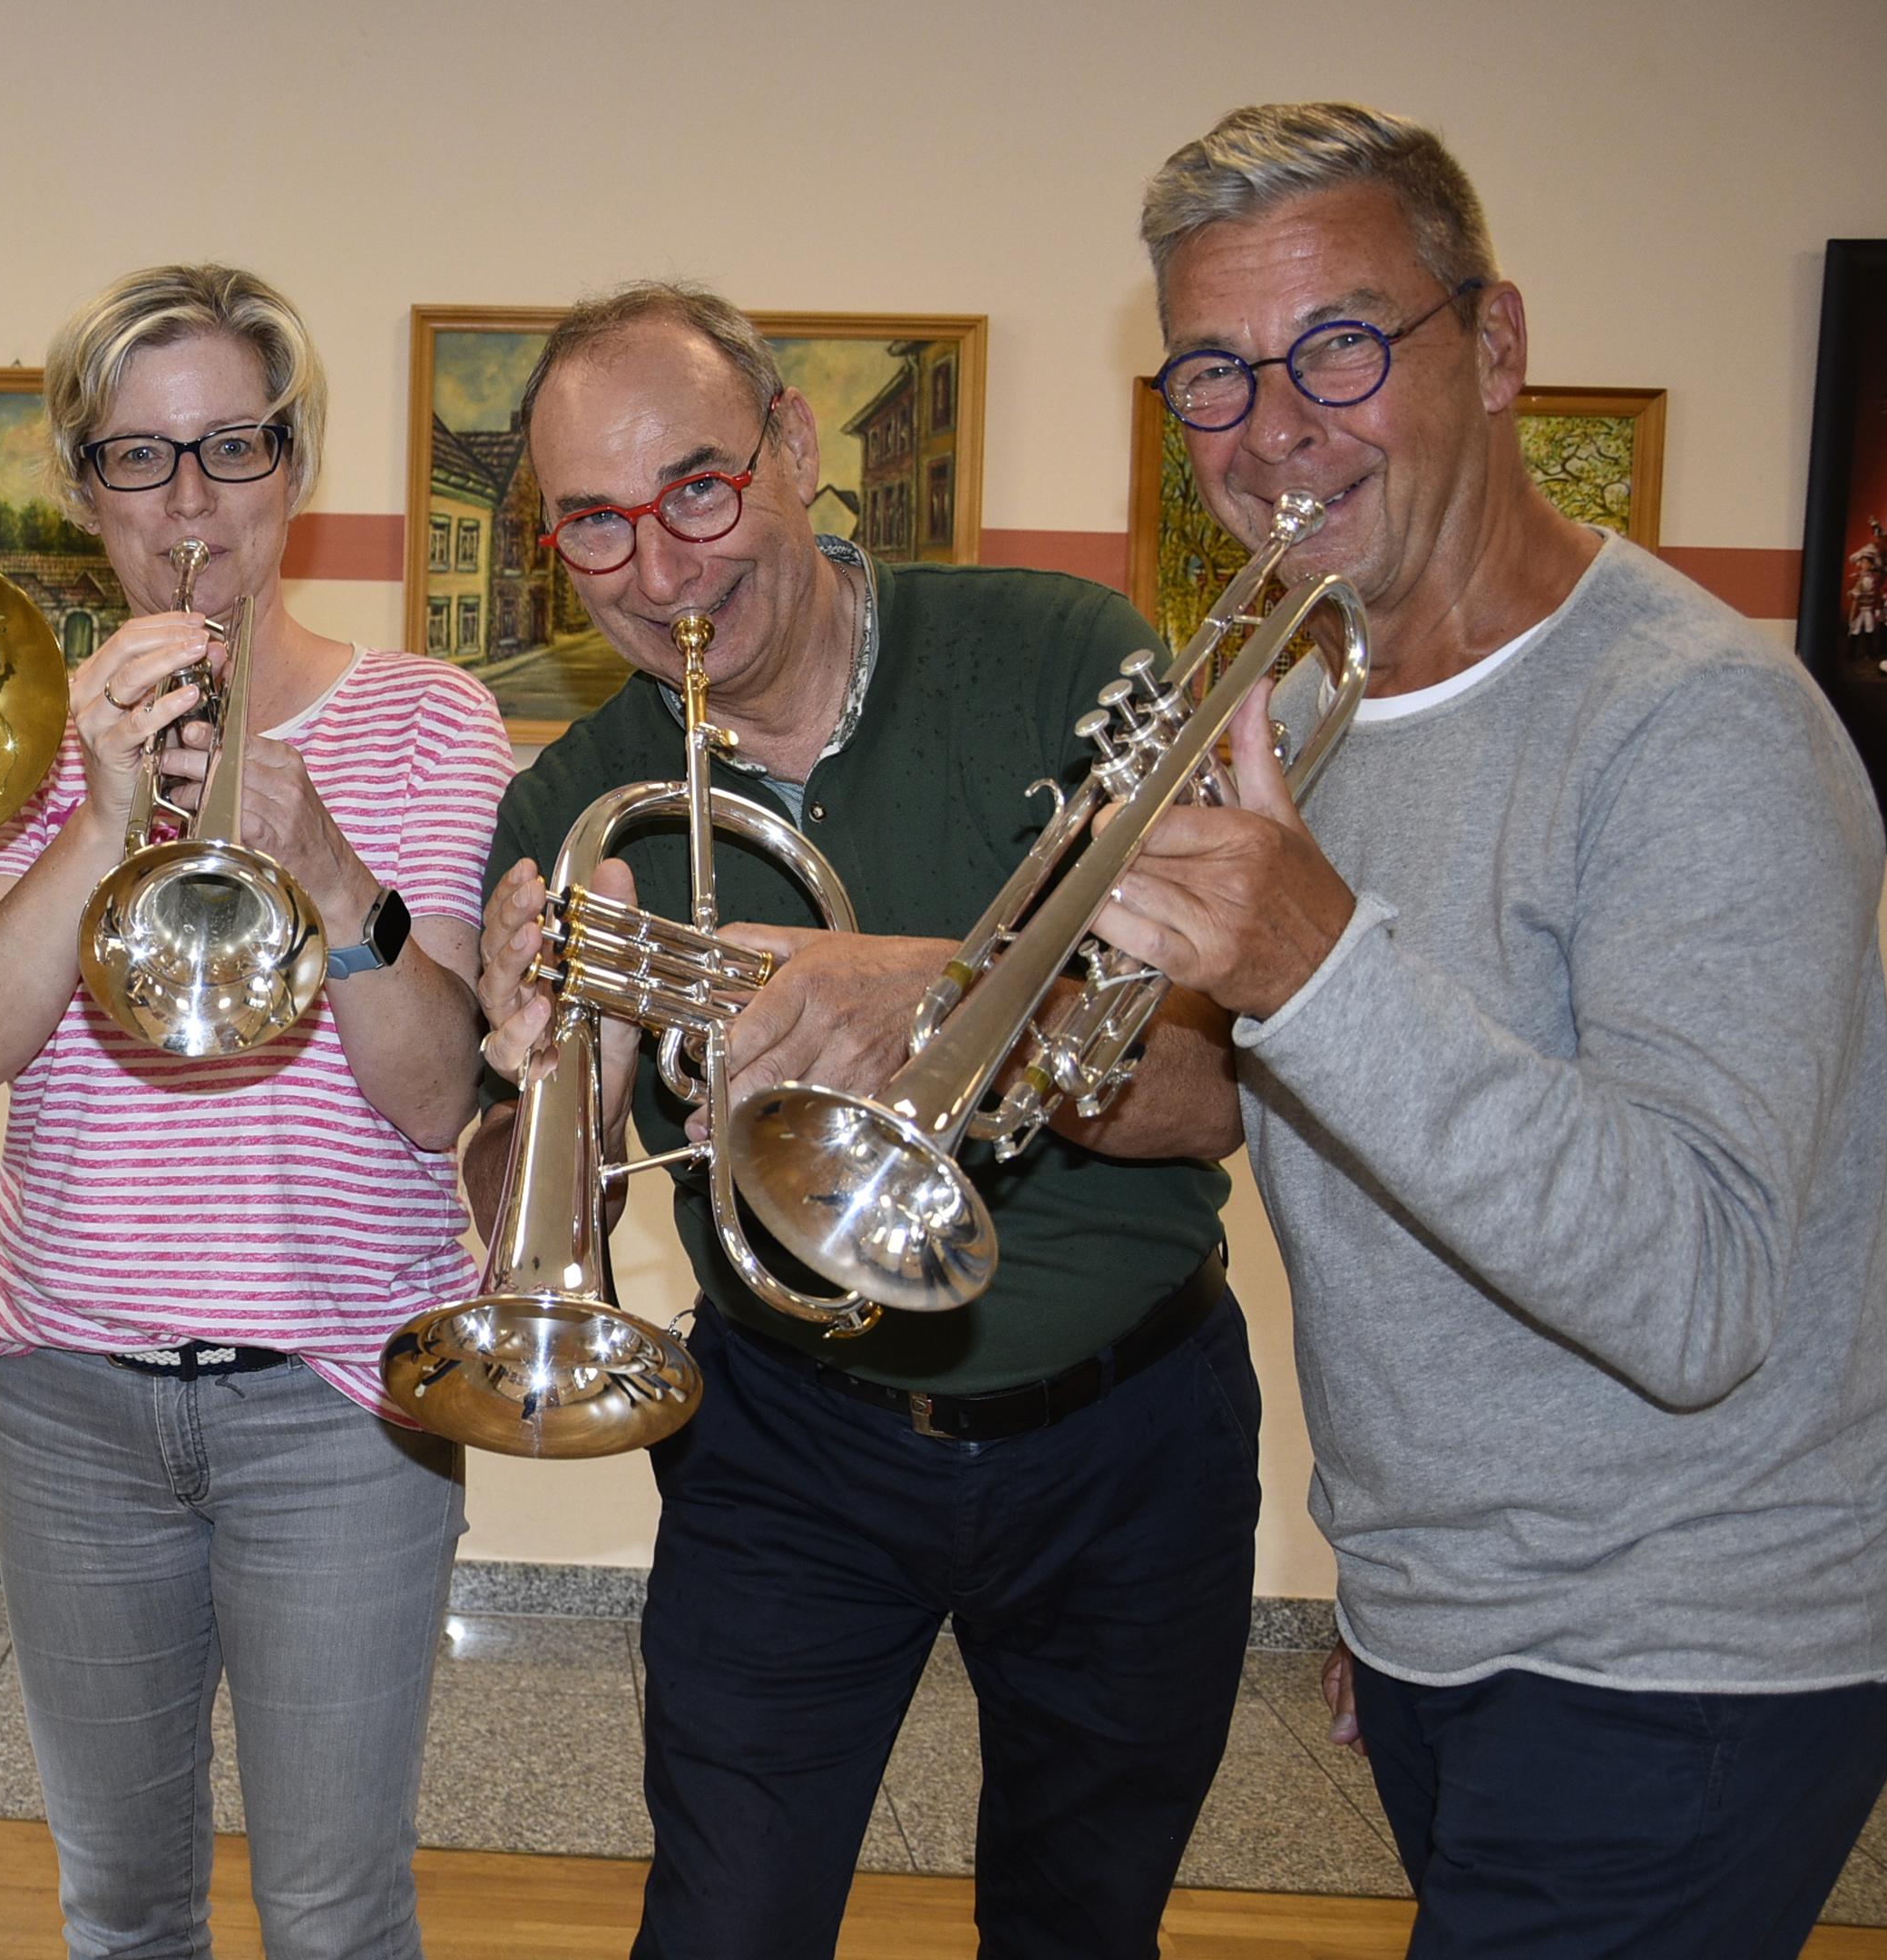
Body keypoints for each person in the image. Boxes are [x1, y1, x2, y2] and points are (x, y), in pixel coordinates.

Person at [1095, 102, 1887, 1959]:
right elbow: (1306, 1113)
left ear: (1501, 345)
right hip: (1465, 1622)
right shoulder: (1303, 704)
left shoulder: (1702, 729)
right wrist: (1014, 1057)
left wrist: (1314, 961)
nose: (1279, 425)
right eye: (1214, 373)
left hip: (1694, 1647)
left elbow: (1697, 1289)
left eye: (1343, 346)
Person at [473, 281, 1259, 1958]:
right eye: (594, 529)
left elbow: (1202, 1102)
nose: (663, 570)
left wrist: (919, 988)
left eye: (699, 489)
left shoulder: (1061, 657)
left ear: (795, 446)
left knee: (1081, 1923)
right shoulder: (572, 798)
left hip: (1126, 1439)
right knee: (723, 1927)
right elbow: (531, 1201)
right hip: (788, 1438)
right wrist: (566, 1090)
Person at [0, 263, 514, 1959]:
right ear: (81, 485)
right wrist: (95, 814)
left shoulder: (425, 716)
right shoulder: (18, 723)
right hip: (73, 1405)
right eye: (138, 458)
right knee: (120, 1908)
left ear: (294, 463)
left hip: (340, 1407)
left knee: (330, 1913)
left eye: (232, 449)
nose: (191, 505)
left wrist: (325, 862)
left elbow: (432, 1100)